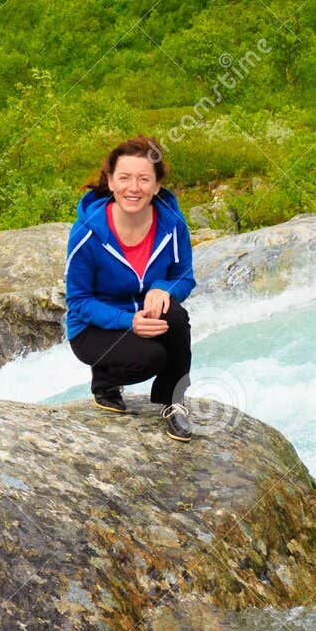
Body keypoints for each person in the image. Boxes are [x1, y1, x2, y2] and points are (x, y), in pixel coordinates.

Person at [63, 135, 196, 441]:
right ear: (110, 182)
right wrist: (128, 322)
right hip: (93, 326)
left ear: (157, 185)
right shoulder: (86, 232)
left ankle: (173, 403)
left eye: (143, 179)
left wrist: (165, 288)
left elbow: (185, 275)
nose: (133, 188)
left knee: (175, 313)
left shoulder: (172, 223)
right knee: (150, 358)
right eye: (124, 178)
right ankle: (105, 380)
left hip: (144, 314)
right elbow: (79, 300)